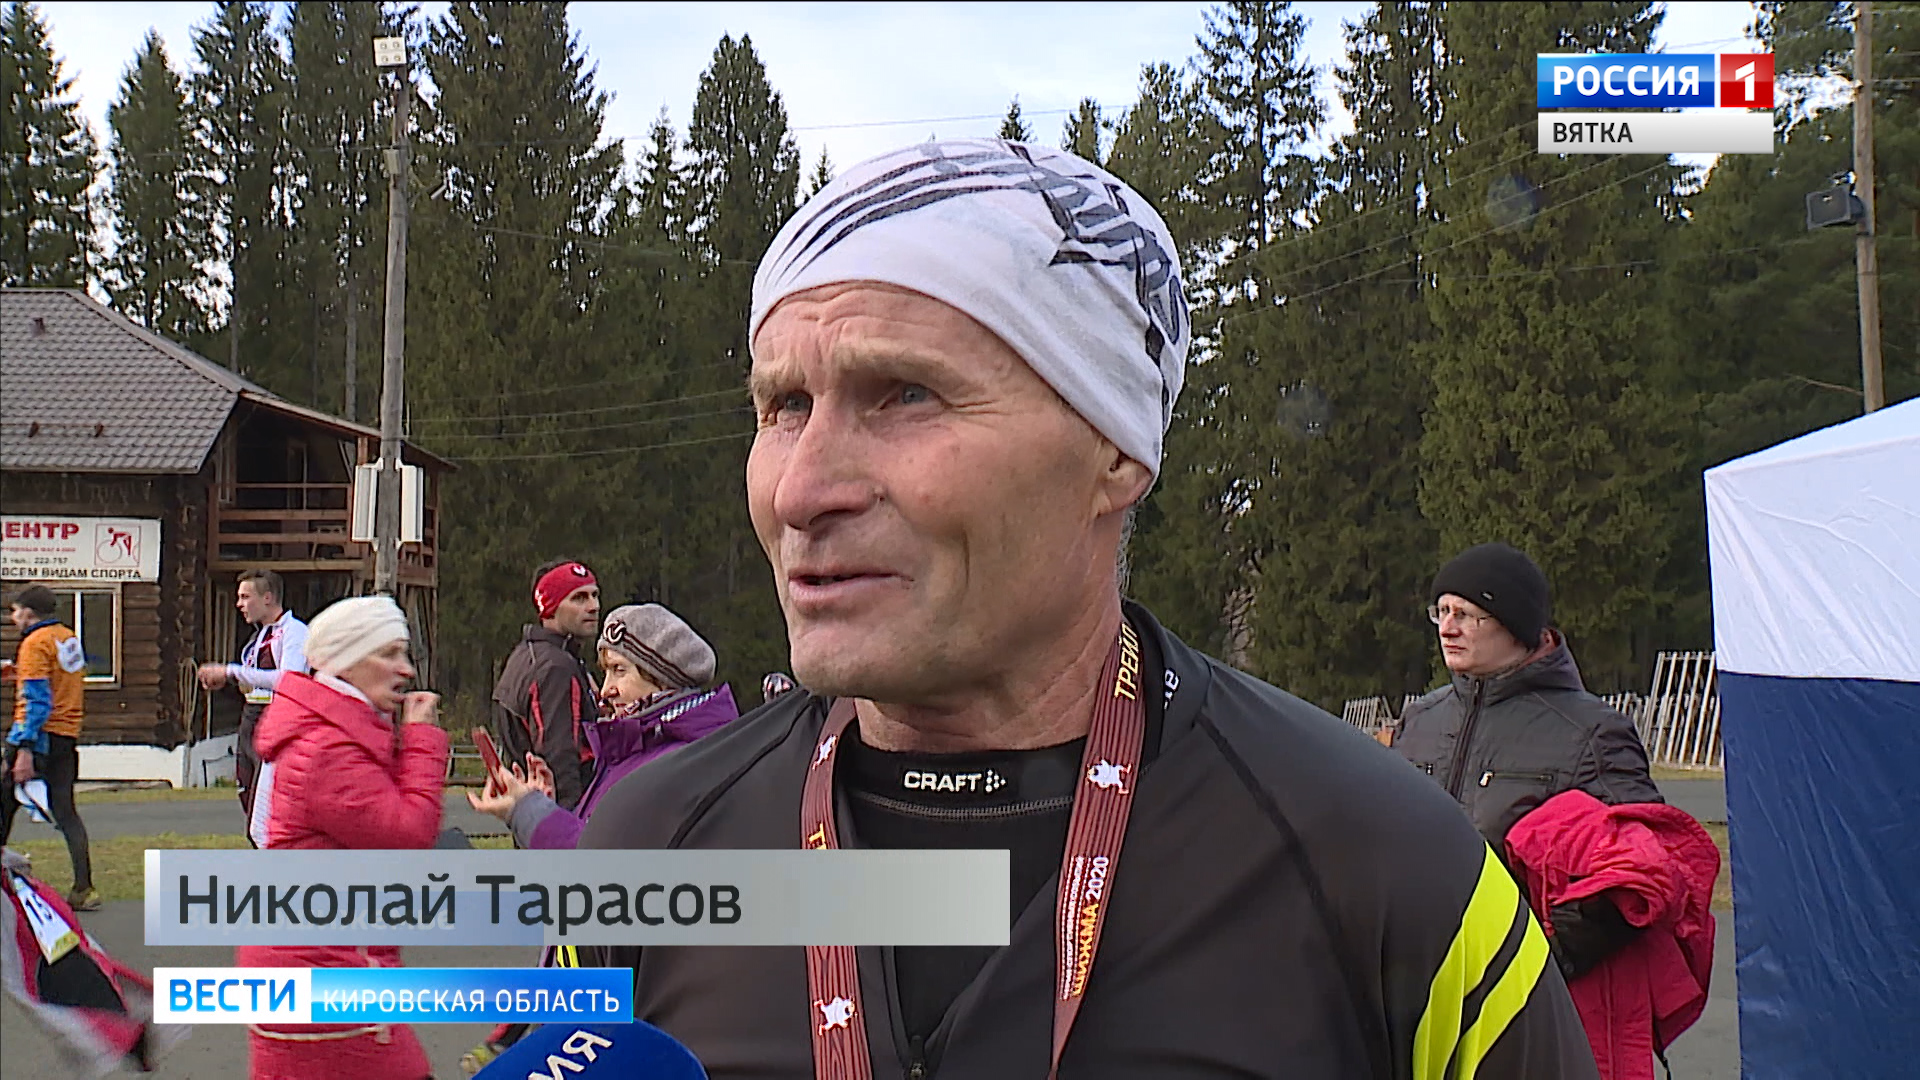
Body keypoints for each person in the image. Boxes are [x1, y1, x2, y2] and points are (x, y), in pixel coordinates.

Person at [574, 139, 1599, 1078]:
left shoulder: (1385, 870)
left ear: (1115, 450)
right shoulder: (643, 848)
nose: (801, 490)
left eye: (906, 394)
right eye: (784, 407)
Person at [1394, 542, 1667, 983]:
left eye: (1466, 615)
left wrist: (1539, 963)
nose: (1447, 628)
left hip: (1526, 994)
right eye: (1441, 611)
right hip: (1417, 983)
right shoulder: (1419, 721)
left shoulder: (1592, 733)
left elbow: (1638, 872)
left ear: (1514, 623)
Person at [235, 594, 448, 1080]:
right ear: (347, 662)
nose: (406, 669)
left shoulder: (336, 731)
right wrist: (421, 740)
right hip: (322, 974)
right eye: (389, 654)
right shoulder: (328, 747)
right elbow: (407, 834)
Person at [470, 602, 737, 849]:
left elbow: (597, 866)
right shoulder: (637, 750)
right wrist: (551, 809)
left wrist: (527, 810)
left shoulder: (675, 764)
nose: (606, 689)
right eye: (605, 671)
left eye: (619, 670)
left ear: (663, 678)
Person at [1, 585, 96, 911]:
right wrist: (16, 672)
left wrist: (25, 748)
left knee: (4, 802)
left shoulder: (33, 643)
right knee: (66, 812)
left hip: (35, 736)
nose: (13, 618)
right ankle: (84, 887)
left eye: (15, 611)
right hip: (66, 734)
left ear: (28, 612)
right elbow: (58, 680)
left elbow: (37, 700)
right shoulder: (67, 638)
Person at [197, 569, 309, 823]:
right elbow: (255, 682)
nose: (239, 604)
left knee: (266, 800)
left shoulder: (293, 632)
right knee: (247, 792)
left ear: (267, 598)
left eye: (246, 597)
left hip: (276, 719)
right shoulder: (258, 636)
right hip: (250, 719)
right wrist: (226, 682)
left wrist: (231, 671)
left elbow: (288, 680)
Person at [491, 559, 601, 810]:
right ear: (550, 606)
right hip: (558, 813)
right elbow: (558, 758)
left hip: (533, 810)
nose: (593, 606)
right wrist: (569, 824)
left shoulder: (529, 654)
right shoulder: (554, 668)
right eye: (579, 598)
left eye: (595, 595)